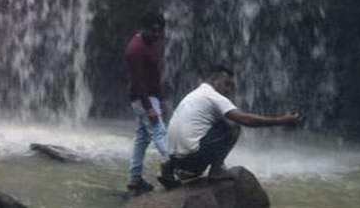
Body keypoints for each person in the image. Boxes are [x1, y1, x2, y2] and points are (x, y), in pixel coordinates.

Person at [159, 64, 304, 188]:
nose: (229, 90)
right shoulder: (213, 96)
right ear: (214, 79)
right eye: (226, 84)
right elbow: (245, 119)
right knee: (233, 126)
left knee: (213, 123)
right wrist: (282, 120)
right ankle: (216, 171)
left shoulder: (193, 95)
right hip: (192, 161)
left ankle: (169, 166)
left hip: (177, 160)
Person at [124, 11, 168, 195]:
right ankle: (178, 169)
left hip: (151, 98)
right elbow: (138, 81)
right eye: (154, 31)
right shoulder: (135, 49)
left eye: (160, 31)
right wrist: (150, 107)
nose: (157, 35)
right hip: (143, 99)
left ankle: (134, 180)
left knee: (142, 139)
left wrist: (159, 98)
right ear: (143, 28)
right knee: (159, 133)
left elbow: (154, 75)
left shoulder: (150, 43)